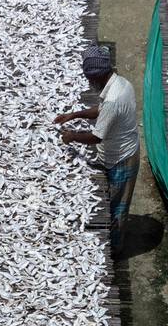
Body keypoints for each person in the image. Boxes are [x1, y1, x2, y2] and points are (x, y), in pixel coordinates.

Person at [54, 45, 140, 257]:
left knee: (117, 209)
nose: (88, 82)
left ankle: (115, 252)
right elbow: (100, 113)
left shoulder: (113, 99)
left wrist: (72, 137)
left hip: (122, 158)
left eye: (89, 78)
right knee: (112, 202)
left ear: (98, 75)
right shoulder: (120, 84)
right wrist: (74, 115)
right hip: (116, 151)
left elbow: (96, 136)